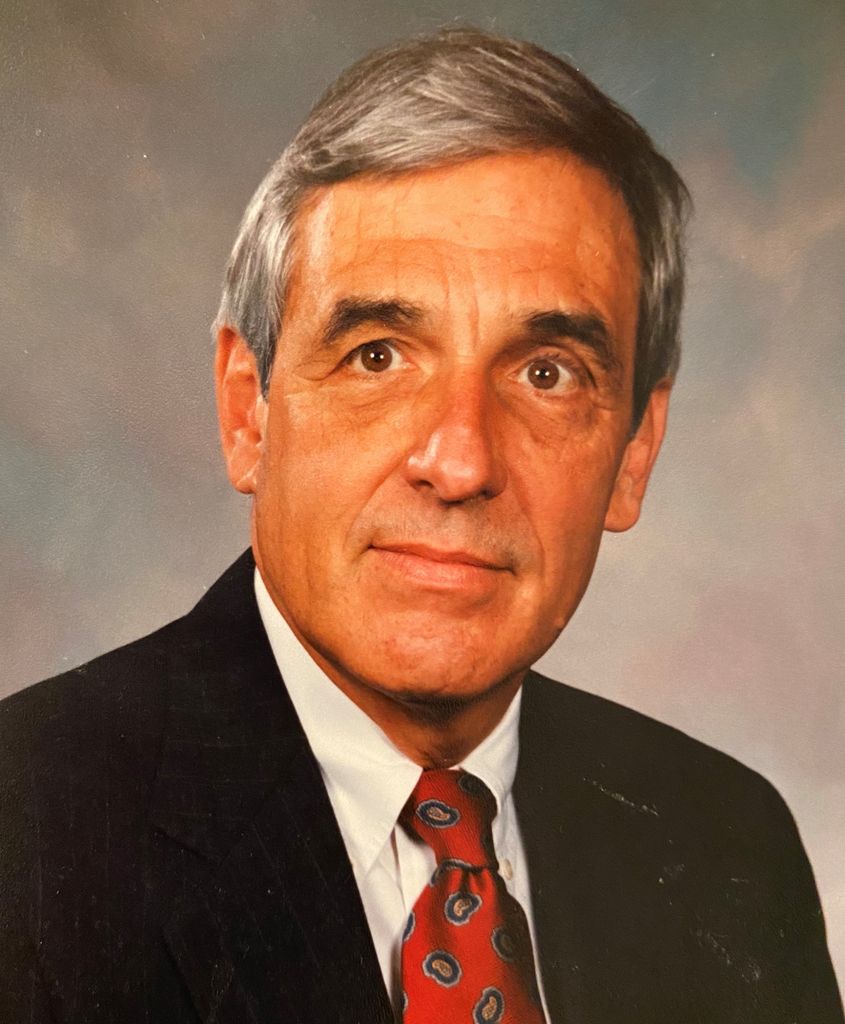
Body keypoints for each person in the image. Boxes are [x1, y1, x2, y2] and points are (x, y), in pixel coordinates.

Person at [0, 27, 840, 1024]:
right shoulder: (27, 835)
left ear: (633, 452)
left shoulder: (727, 846)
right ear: (246, 412)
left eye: (545, 373)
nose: (460, 462)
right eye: (378, 356)